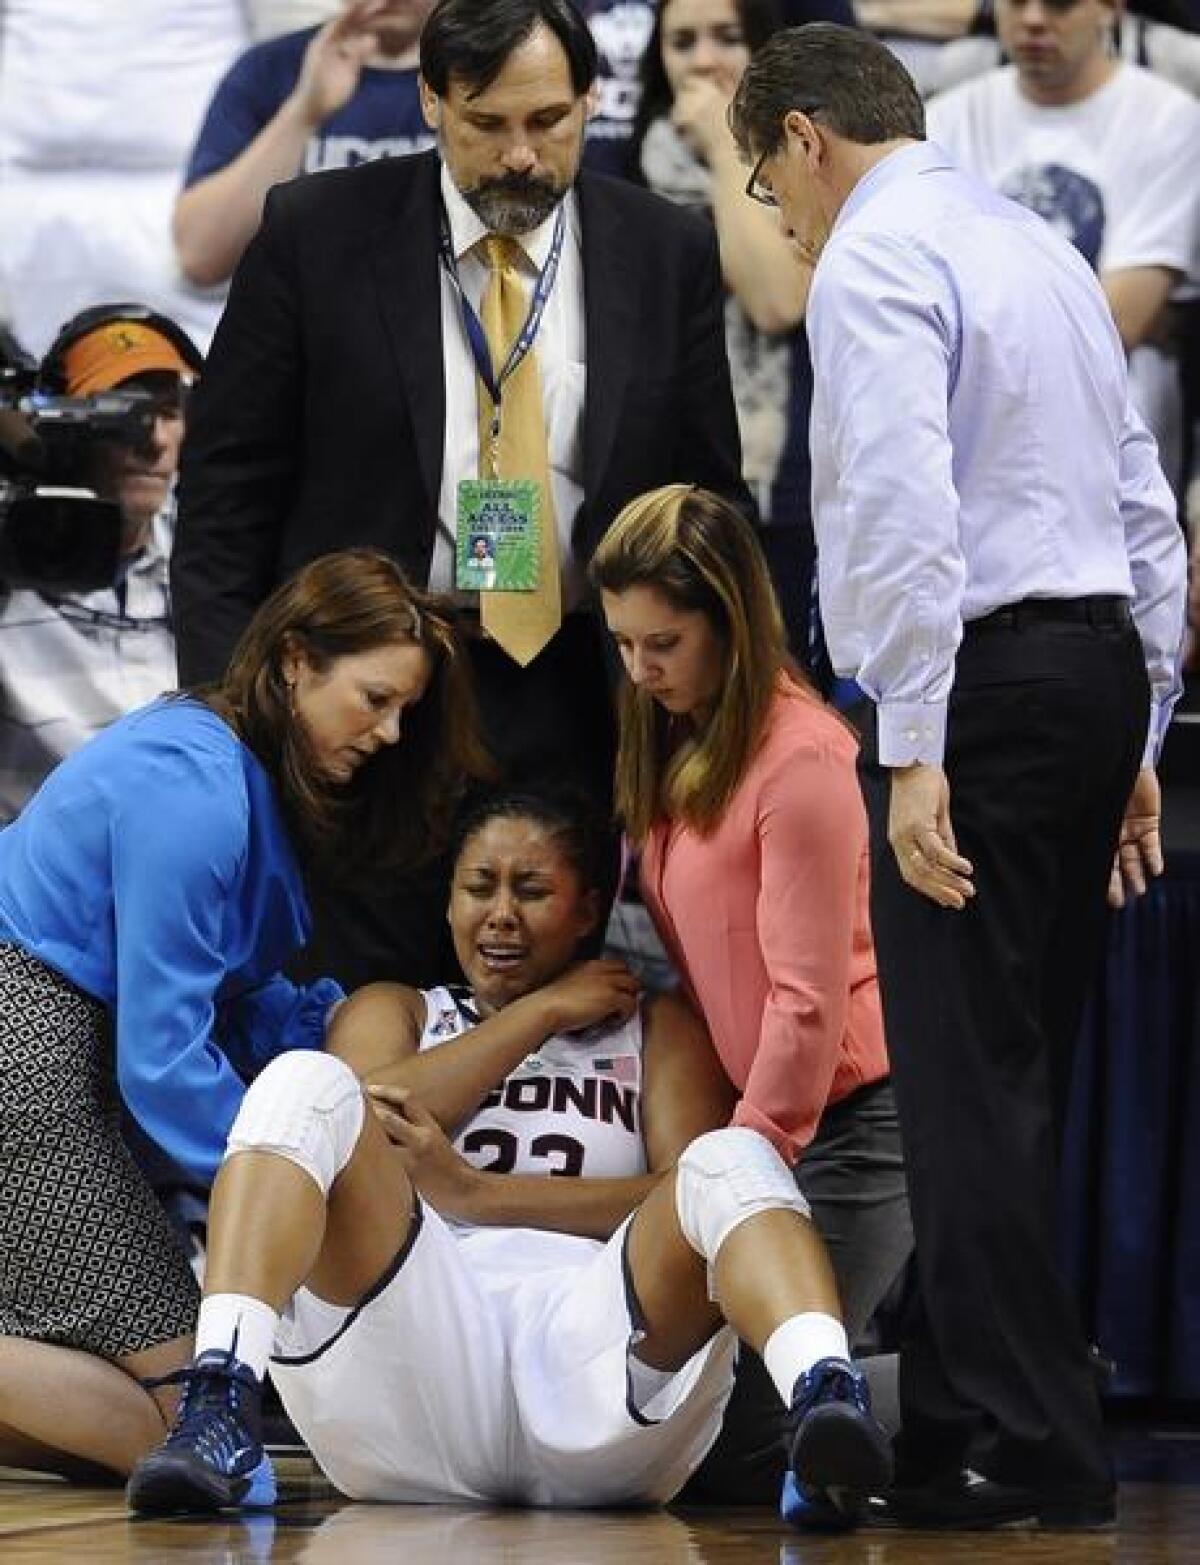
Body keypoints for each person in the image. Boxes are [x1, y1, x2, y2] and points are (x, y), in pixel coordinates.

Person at [729, 23, 1187, 1529]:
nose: (778, 217)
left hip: (973, 692)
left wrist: (911, 746)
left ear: (805, 139)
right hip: (1090, 674)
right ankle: (941, 1415)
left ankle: (1036, 1447)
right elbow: (1142, 497)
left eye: (764, 178)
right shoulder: (1038, 244)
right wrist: (1138, 735)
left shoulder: (870, 255)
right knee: (1014, 1074)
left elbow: (907, 512)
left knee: (967, 1088)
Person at [172, 0, 751, 990]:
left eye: (549, 122)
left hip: (579, 690)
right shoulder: (318, 234)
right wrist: (240, 722)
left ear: (590, 100)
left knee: (559, 1006)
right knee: (357, 1008)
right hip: (374, 695)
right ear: (432, 103)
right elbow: (225, 496)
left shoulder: (666, 251)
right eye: (488, 125)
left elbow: (710, 507)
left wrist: (726, 713)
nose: (521, 156)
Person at [125, 787, 892, 1515]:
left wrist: (478, 1193)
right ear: (448, 900)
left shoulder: (653, 1027)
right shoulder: (395, 1007)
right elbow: (355, 1116)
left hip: (597, 1364)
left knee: (732, 1155)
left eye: (530, 889)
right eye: (478, 887)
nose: (500, 915)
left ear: (589, 907)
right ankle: (221, 1400)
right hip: (410, 1364)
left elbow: (684, 1196)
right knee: (301, 1082)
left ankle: (825, 1401)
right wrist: (540, 1013)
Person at [0, 547, 487, 1483]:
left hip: (51, 1057)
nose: (390, 733)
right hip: (27, 1058)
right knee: (193, 1430)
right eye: (375, 698)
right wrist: (293, 1176)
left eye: (406, 711)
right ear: (297, 659)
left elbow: (232, 1003)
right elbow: (163, 1059)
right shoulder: (195, 786)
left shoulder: (232, 772)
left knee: (138, 1414)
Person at [591, 483, 911, 1518]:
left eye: (663, 642)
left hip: (851, 1122)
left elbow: (810, 1002)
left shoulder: (804, 757)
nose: (639, 669)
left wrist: (739, 1170)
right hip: (760, 1117)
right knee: (690, 1421)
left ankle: (981, 1394)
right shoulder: (675, 732)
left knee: (737, 1443)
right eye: (625, 642)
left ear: (731, 620)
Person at [924, 0, 1200, 494]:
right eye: (1015, 1)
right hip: (971, 456)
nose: (1032, 19)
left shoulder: (1168, 118)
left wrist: (970, 329)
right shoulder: (947, 118)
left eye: (1059, 3)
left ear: (1112, 8)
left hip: (1110, 463)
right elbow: (923, 303)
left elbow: (1119, 321)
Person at [628, 0, 819, 653]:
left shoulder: (805, 163)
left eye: (726, 38)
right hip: (669, 475)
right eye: (682, 42)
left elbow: (776, 300)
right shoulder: (634, 164)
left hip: (784, 480)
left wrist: (722, 145)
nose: (703, 59)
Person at [0, 305, 202, 822]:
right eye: (124, 415)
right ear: (63, 430)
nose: (154, 441)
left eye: (168, 413)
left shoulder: (208, 562)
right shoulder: (10, 556)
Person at [175, 0, 437, 289]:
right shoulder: (269, 70)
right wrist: (303, 112)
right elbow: (201, 255)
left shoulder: (481, 71)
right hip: (306, 319)